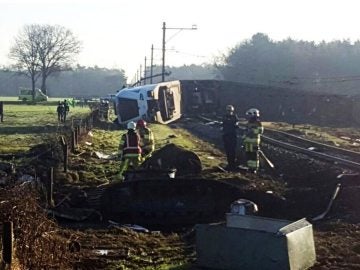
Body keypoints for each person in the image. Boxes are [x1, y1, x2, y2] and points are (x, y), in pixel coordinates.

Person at [242, 108, 264, 173]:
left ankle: (255, 169)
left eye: (249, 114)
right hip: (248, 142)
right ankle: (250, 167)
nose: (248, 116)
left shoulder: (258, 122)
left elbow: (260, 131)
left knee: (254, 156)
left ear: (253, 114)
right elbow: (246, 131)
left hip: (254, 142)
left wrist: (253, 131)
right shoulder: (249, 122)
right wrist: (244, 137)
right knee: (248, 155)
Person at [221, 105, 239, 170]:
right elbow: (224, 123)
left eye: (230, 111)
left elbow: (236, 124)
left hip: (232, 136)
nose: (229, 112)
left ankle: (232, 164)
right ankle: (230, 163)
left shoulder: (234, 117)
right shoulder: (225, 117)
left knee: (232, 150)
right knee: (228, 150)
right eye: (228, 111)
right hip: (226, 135)